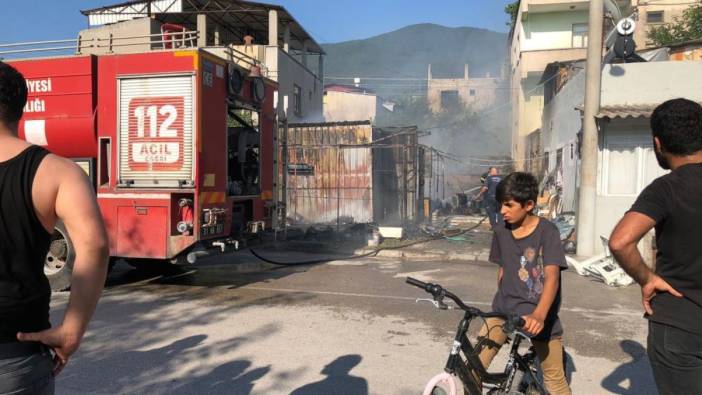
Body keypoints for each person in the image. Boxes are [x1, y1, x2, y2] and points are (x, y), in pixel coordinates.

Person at [0, 61, 109, 394]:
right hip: (17, 350)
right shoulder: (59, 172)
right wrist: (72, 328)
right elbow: (95, 246)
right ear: (21, 107)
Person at [609, 98, 702, 395]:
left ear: (658, 143)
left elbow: (621, 242)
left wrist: (647, 278)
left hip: (680, 323)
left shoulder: (667, 188)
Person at [477, 172, 571, 395]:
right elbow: (503, 270)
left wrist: (539, 315)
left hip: (538, 317)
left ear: (529, 204)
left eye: (508, 205)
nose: (502, 211)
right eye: (500, 205)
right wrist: (501, 301)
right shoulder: (501, 231)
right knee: (473, 369)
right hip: (503, 312)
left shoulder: (548, 231)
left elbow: (552, 277)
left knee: (555, 382)